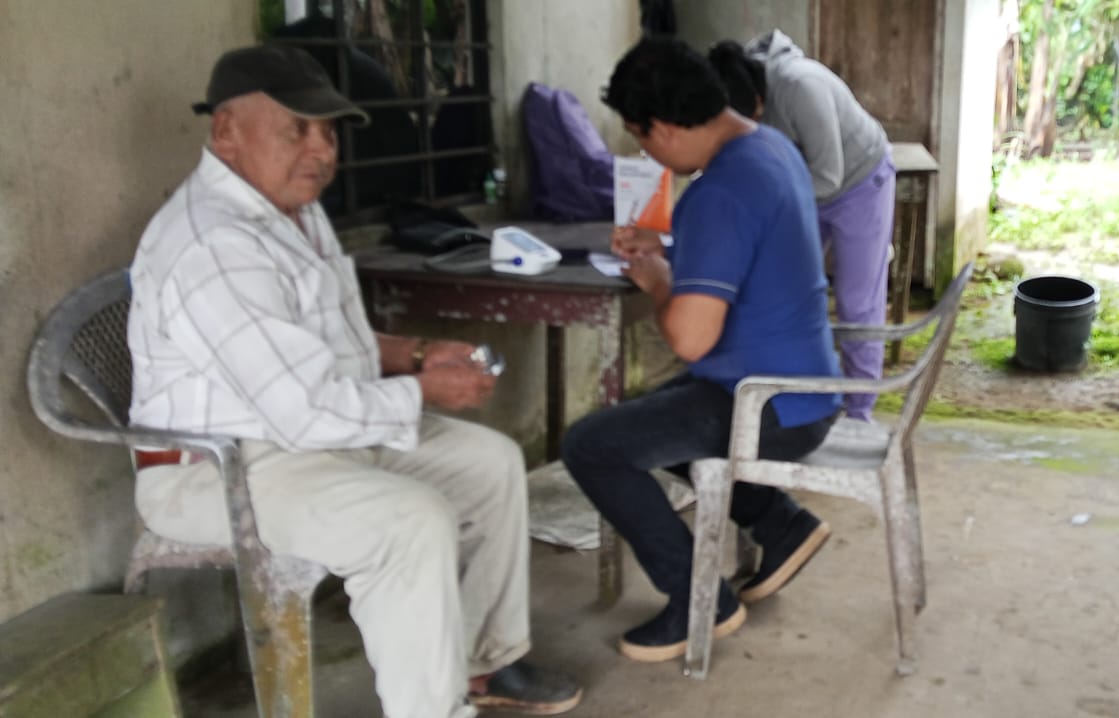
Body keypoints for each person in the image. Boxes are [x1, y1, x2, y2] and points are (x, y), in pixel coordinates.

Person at [125, 45, 580, 718]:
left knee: (489, 463)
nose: (321, 150)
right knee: (408, 523)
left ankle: (483, 661)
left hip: (304, 439)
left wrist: (418, 353)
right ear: (226, 131)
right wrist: (424, 391)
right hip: (217, 470)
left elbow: (332, 348)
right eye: (296, 129)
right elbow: (301, 408)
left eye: (328, 132)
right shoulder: (213, 244)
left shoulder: (292, 208)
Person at [562, 36, 842, 662]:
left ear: (663, 127)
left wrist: (659, 279)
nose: (648, 155)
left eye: (643, 140)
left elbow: (691, 338)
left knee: (593, 445)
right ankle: (781, 524)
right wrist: (668, 253)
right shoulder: (769, 148)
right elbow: (743, 256)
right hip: (804, 385)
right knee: (652, 421)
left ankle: (701, 602)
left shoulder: (718, 192)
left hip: (768, 406)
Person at [704, 30, 895, 421]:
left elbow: (829, 176)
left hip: (858, 183)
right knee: (784, 288)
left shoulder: (800, 85)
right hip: (803, 189)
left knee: (857, 302)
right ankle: (795, 397)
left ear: (759, 100)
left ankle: (858, 412)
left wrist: (766, 201)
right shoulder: (733, 88)